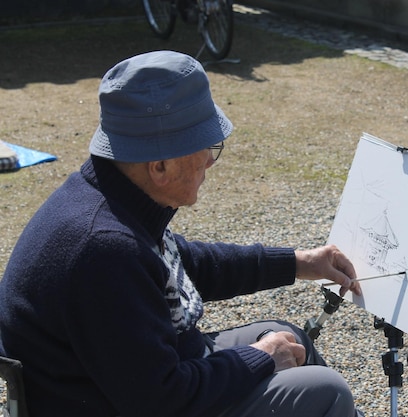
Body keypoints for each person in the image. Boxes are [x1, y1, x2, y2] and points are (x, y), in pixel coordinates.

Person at [0, 50, 363, 417]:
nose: (209, 160)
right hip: (123, 403)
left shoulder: (111, 199)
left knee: (287, 335)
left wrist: (298, 263)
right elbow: (161, 400)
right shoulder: (104, 248)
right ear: (159, 166)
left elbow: (182, 265)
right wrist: (261, 357)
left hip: (136, 382)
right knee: (324, 391)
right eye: (207, 147)